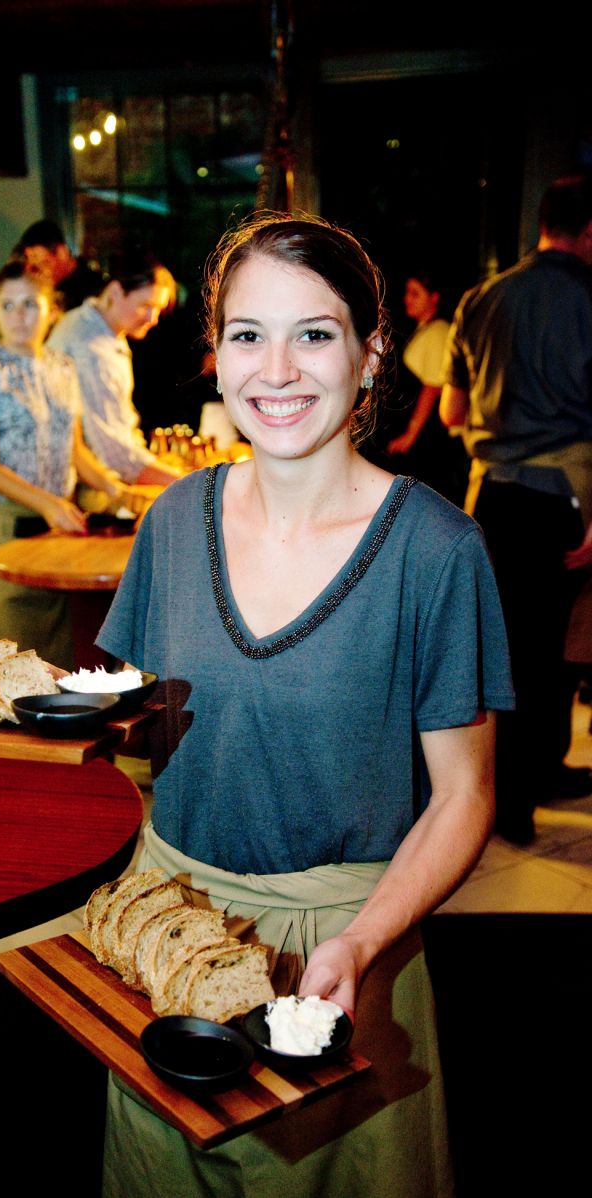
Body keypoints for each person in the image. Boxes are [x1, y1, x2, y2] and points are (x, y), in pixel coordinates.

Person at [97, 211, 514, 1198]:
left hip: (337, 951)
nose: (274, 370)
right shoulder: (170, 523)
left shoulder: (435, 551)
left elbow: (462, 796)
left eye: (312, 333)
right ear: (214, 353)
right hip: (169, 942)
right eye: (247, 334)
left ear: (370, 354)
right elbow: (125, 737)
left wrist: (364, 943)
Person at [441, 173, 592, 845]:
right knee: (554, 648)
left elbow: (451, 409)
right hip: (565, 493)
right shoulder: (587, 297)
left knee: (505, 647)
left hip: (491, 496)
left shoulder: (482, 297)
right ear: (589, 232)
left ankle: (520, 783)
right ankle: (522, 798)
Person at [0, 259, 128, 666]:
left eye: (30, 304)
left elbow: (74, 451)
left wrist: (114, 487)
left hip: (57, 536)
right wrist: (49, 503)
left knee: (58, 665)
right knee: (2, 668)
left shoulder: (61, 367)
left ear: (51, 310)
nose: (19, 317)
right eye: (8, 306)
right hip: (4, 529)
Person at [47, 247, 185, 486]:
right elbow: (114, 455)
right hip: (81, 485)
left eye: (158, 310)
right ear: (115, 291)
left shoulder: (100, 328)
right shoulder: (90, 347)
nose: (152, 319)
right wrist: (186, 484)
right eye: (146, 305)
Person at [385, 270, 468, 505]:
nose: (407, 299)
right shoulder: (423, 329)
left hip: (431, 438)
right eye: (407, 293)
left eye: (415, 293)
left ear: (434, 298)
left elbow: (432, 388)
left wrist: (410, 435)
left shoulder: (439, 330)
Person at [12, 219, 103, 314]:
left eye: (43, 264)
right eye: (34, 269)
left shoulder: (94, 290)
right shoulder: (45, 294)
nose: (39, 275)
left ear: (61, 253)